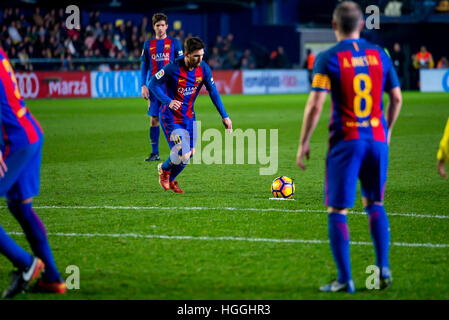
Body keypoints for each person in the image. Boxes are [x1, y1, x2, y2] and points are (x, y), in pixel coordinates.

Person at [296, 1, 402, 293]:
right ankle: (383, 270)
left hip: (346, 141)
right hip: (377, 140)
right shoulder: (381, 54)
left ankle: (345, 280)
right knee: (375, 203)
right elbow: (396, 99)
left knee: (337, 210)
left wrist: (304, 141)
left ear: (334, 26)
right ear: (362, 25)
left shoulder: (327, 57)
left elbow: (316, 104)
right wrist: (387, 132)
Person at [0, 47, 66, 298]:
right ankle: (53, 278)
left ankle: (27, 265)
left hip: (12, 140)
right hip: (29, 131)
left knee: (20, 208)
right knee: (20, 207)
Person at [149, 37, 232, 193]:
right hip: (171, 117)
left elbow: (213, 91)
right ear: (186, 54)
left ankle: (171, 179)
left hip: (188, 117)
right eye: (196, 56)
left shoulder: (204, 69)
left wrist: (224, 116)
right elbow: (152, 83)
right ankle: (163, 169)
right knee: (184, 153)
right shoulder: (172, 68)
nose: (200, 59)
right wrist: (168, 101)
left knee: (190, 154)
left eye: (202, 55)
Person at [141, 13, 183, 162]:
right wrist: (143, 85)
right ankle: (155, 153)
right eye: (157, 25)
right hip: (153, 88)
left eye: (162, 25)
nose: (160, 28)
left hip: (170, 88)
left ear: (167, 26)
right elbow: (144, 65)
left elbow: (181, 64)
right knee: (154, 119)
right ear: (153, 27)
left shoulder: (175, 43)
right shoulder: (148, 45)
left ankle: (181, 149)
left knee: (172, 118)